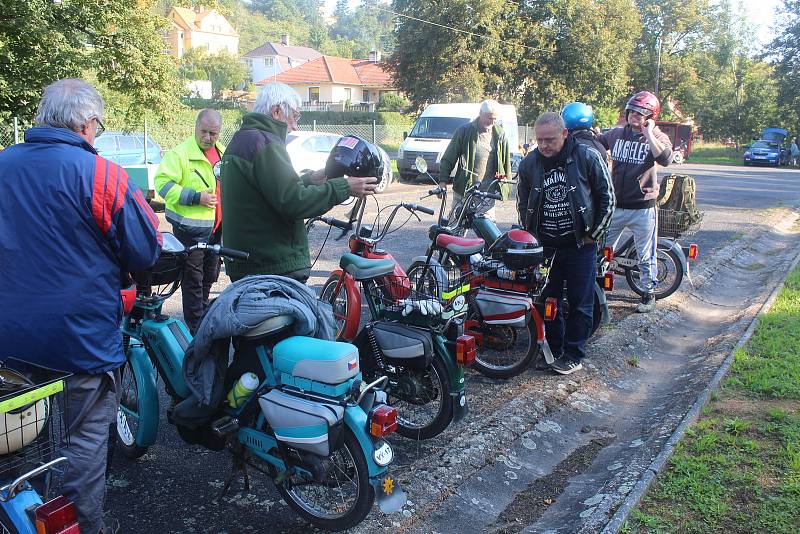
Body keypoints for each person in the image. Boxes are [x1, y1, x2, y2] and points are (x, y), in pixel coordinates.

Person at [0, 79, 161, 533]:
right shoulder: (103, 175)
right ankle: (83, 526)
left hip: (8, 339)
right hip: (79, 341)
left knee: (17, 439)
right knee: (83, 441)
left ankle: (19, 514)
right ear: (89, 123)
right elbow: (145, 251)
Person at [221, 82, 378, 283]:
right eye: (295, 116)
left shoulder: (243, 139)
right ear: (277, 111)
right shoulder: (266, 143)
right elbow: (293, 202)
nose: (295, 125)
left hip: (249, 263)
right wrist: (345, 187)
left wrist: (310, 179)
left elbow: (269, 193)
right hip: (272, 265)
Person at [517, 112, 615, 375]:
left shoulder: (586, 157)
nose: (544, 145)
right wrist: (531, 238)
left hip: (579, 245)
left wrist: (593, 235)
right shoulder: (529, 164)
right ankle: (553, 349)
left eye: (549, 139)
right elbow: (523, 204)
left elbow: (607, 197)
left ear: (564, 134)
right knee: (546, 302)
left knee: (580, 302)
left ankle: (574, 354)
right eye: (539, 140)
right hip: (546, 247)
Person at [598, 91, 672, 313]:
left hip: (643, 207)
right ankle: (596, 287)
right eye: (632, 111)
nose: (635, 116)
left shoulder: (658, 136)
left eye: (641, 113)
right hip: (617, 205)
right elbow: (597, 142)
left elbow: (666, 159)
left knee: (645, 253)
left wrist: (649, 134)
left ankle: (648, 293)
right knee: (601, 249)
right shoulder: (617, 134)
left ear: (650, 116)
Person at [155, 109, 224, 334]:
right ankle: (196, 329)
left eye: (213, 133)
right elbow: (163, 185)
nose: (207, 137)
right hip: (190, 231)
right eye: (203, 131)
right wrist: (196, 197)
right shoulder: (179, 154)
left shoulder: (223, 153)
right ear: (195, 127)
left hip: (216, 229)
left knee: (210, 276)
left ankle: (202, 319)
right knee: (193, 281)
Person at [438, 99, 513, 221]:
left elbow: (505, 163)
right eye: (489, 118)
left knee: (487, 233)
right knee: (454, 229)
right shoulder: (464, 131)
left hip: (487, 194)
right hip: (464, 191)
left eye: (494, 119)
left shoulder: (500, 134)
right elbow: (448, 158)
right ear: (480, 113)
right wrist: (443, 181)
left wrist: (505, 186)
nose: (492, 122)